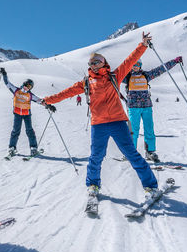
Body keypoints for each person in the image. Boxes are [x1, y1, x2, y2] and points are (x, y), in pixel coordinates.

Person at [43, 33, 158, 201]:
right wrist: (47, 100)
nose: (94, 65)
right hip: (99, 124)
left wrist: (143, 45)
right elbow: (67, 92)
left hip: (118, 122)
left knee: (131, 154)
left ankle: (150, 186)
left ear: (104, 62)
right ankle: (93, 185)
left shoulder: (114, 76)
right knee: (96, 156)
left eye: (97, 61)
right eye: (91, 63)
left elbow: (130, 61)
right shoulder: (86, 82)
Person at [123, 56, 183, 163]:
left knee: (149, 130)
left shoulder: (146, 75)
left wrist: (174, 61)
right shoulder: (126, 77)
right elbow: (113, 76)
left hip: (147, 106)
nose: (135, 67)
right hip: (133, 108)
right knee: (133, 131)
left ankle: (150, 152)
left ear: (140, 66)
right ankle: (130, 152)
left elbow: (161, 69)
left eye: (137, 64)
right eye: (133, 65)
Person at [0, 67, 46, 158]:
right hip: (17, 114)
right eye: (27, 85)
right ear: (24, 84)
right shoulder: (16, 90)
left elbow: (39, 100)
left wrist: (48, 105)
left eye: (29, 87)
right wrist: (4, 74)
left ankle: (33, 148)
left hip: (27, 115)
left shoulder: (30, 95)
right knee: (15, 131)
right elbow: (7, 83)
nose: (27, 88)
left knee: (29, 131)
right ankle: (12, 148)